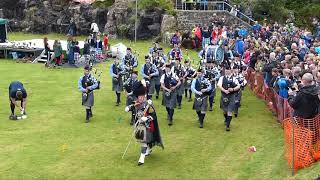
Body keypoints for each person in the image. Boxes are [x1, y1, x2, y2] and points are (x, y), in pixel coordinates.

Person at [125, 80, 164, 166]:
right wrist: (128, 108)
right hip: (138, 125)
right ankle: (149, 149)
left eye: (142, 96)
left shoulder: (148, 105)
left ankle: (141, 158)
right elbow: (131, 108)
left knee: (143, 141)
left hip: (147, 126)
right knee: (144, 141)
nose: (141, 98)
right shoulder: (136, 103)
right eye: (140, 97)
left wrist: (146, 118)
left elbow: (153, 116)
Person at [217, 66, 241, 131]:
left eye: (228, 70)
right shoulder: (222, 78)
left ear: (231, 71)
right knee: (224, 111)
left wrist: (233, 89)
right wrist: (225, 90)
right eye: (226, 70)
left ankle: (228, 125)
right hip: (224, 96)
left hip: (231, 96)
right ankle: (226, 119)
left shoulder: (234, 79)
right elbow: (219, 85)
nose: (227, 71)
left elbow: (238, 86)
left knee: (229, 111)